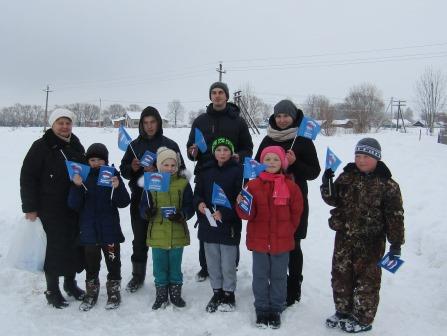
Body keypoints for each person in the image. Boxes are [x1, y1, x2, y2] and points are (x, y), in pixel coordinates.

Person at [321, 138, 405, 333]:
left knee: (367, 280)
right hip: (344, 237)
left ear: (376, 158)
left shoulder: (388, 185)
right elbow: (332, 200)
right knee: (341, 275)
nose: (361, 160)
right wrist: (327, 182)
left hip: (371, 243)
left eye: (366, 156)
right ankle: (343, 310)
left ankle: (363, 318)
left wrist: (396, 244)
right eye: (358, 156)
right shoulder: (347, 176)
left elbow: (395, 217)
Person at [255, 99, 320, 306]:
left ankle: (293, 286)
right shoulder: (267, 140)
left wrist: (295, 163)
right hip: (269, 203)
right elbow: (257, 168)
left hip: (294, 201)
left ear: (294, 117)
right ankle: (272, 285)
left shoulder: (303, 140)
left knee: (293, 244)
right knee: (270, 243)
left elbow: (313, 172)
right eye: (279, 116)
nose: (282, 120)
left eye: (286, 116)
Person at [187, 81, 253, 281]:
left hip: (231, 176)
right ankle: (206, 265)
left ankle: (230, 264)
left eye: (221, 92)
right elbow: (191, 149)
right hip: (206, 175)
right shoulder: (200, 121)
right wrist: (192, 152)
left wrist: (237, 157)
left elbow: (248, 148)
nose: (217, 96)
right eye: (214, 93)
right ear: (210, 96)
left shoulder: (238, 121)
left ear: (227, 96)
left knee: (229, 216)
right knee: (206, 217)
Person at [20, 108, 86, 308]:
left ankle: (70, 283)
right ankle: (52, 290)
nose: (65, 126)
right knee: (54, 248)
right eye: (60, 123)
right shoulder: (41, 146)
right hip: (50, 208)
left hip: (73, 206)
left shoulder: (76, 144)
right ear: (53, 124)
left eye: (68, 123)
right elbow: (28, 177)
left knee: (73, 245)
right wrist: (30, 207)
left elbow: (84, 170)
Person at [236, 146, 303, 329]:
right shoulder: (253, 185)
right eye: (268, 159)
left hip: (282, 242)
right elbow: (247, 215)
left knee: (279, 276)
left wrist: (288, 229)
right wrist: (242, 204)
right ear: (261, 163)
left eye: (275, 159)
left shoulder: (291, 186)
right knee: (260, 276)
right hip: (260, 241)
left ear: (282, 162)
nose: (271, 163)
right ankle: (262, 308)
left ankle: (276, 308)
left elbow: (296, 213)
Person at [120, 106, 185, 293]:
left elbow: (181, 171)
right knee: (139, 240)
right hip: (140, 199)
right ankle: (137, 277)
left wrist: (161, 171)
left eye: (153, 122)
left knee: (166, 239)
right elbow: (124, 172)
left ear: (158, 123)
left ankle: (168, 277)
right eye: (145, 123)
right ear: (141, 124)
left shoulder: (170, 144)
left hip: (166, 200)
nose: (149, 126)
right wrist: (132, 167)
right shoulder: (134, 145)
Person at [68, 143, 130, 311]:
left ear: (106, 161)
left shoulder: (112, 175)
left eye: (100, 160)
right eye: (92, 160)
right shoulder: (82, 176)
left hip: (110, 232)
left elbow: (124, 202)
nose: (96, 163)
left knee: (113, 263)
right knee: (91, 265)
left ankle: (114, 291)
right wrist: (76, 186)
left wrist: (117, 187)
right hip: (89, 233)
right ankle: (91, 292)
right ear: (88, 161)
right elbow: (73, 204)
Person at [139, 147, 194, 309]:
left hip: (178, 233)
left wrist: (182, 214)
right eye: (166, 165)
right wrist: (147, 212)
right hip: (157, 234)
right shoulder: (151, 183)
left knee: (175, 266)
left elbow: (190, 206)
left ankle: (176, 293)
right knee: (159, 266)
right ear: (158, 165)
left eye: (173, 165)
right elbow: (142, 207)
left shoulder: (183, 184)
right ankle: (161, 294)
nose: (170, 168)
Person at [193, 137, 243, 313]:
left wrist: (225, 212)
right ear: (214, 152)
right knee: (212, 262)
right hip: (208, 224)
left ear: (231, 152)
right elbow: (197, 192)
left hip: (229, 225)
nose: (222, 153)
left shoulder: (239, 171)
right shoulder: (205, 170)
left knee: (228, 263)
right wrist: (199, 203)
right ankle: (217, 292)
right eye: (219, 150)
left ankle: (229, 294)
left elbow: (241, 200)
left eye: (226, 150)